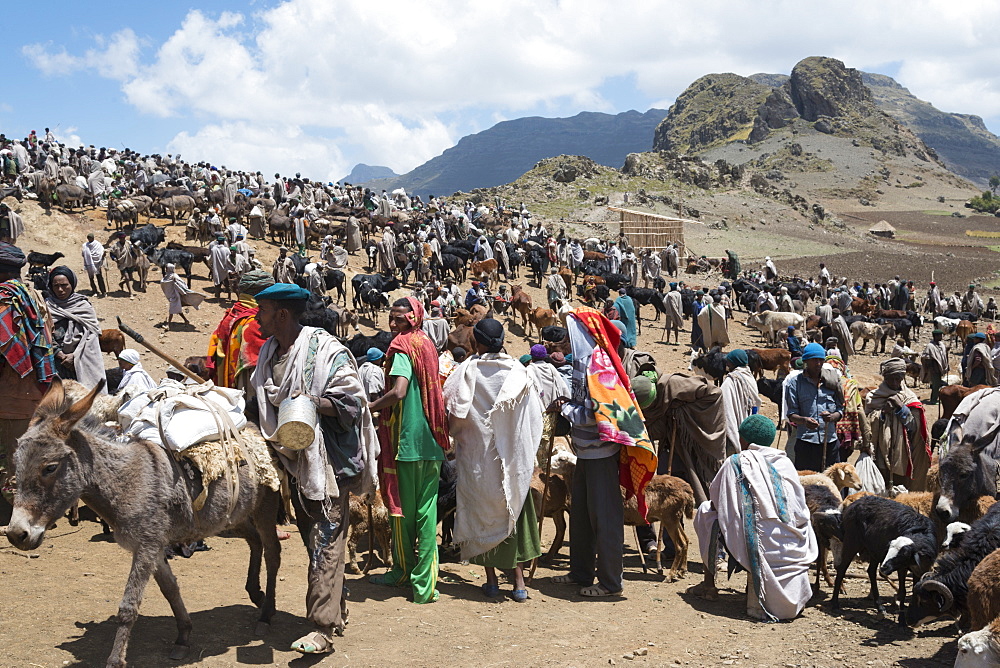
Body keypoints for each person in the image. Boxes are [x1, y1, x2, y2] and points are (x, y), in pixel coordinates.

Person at [250, 282, 379, 655]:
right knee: (315, 541)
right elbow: (261, 402)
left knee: (325, 542)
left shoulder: (327, 350)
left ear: (282, 314)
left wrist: (313, 401)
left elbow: (353, 403)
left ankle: (321, 630)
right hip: (292, 462)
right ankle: (336, 606)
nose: (258, 318)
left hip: (328, 465)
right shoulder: (269, 354)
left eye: (263, 311)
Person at [551, 307, 656, 597]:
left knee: (605, 518)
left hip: (600, 453)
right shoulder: (582, 364)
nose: (565, 339)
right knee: (582, 515)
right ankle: (581, 572)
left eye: (570, 331)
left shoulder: (598, 365)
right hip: (585, 452)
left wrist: (564, 407)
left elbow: (599, 414)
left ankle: (611, 582)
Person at [443, 319, 542, 602]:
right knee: (513, 510)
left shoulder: (466, 371)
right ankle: (519, 583)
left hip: (478, 461)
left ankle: (490, 582)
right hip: (513, 461)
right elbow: (534, 419)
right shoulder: (520, 373)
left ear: (478, 342)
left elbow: (451, 409)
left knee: (482, 513)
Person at [693, 414, 817, 621]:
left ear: (743, 440)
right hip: (792, 544)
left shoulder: (736, 461)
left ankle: (708, 585)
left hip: (758, 544)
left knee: (706, 511)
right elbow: (799, 508)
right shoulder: (785, 462)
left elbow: (716, 500)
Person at [368, 297, 450, 604]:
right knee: (426, 514)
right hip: (431, 438)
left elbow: (399, 391)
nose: (394, 324)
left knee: (400, 511)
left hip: (406, 442)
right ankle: (424, 586)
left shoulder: (402, 345)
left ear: (413, 318)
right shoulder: (427, 343)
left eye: (400, 319)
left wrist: (372, 406)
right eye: (391, 319)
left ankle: (402, 570)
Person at [0, 242, 55, 505]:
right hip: (35, 388)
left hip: (9, 392)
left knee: (12, 455)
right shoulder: (34, 295)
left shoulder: (5, 298)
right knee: (27, 452)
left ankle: (18, 512)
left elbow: (5, 343)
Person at [865, 358, 930, 490]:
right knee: (881, 486)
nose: (895, 383)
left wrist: (901, 407)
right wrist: (883, 413)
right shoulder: (873, 397)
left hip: (903, 454)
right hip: (880, 451)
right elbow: (867, 425)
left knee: (901, 488)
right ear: (884, 378)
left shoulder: (909, 397)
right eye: (891, 379)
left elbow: (915, 428)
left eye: (898, 379)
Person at [205, 270, 274, 393]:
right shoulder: (255, 322)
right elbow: (261, 366)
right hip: (243, 395)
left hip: (225, 390)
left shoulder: (233, 314)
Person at [784, 343, 845, 471]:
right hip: (806, 443)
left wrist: (833, 416)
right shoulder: (795, 383)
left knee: (832, 484)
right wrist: (804, 421)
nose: (818, 364)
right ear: (806, 361)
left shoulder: (832, 381)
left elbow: (840, 409)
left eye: (820, 360)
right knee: (808, 484)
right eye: (814, 360)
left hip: (830, 441)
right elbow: (791, 414)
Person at [45, 266, 106, 394]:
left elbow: (92, 335)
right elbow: (43, 334)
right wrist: (60, 354)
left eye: (64, 285)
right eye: (56, 286)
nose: (60, 290)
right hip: (54, 361)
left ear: (72, 284)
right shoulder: (46, 307)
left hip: (82, 359)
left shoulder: (84, 306)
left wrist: (75, 356)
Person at [525, 343, 569, 465]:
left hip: (539, 414)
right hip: (554, 413)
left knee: (539, 445)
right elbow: (563, 389)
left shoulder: (529, 370)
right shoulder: (551, 368)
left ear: (532, 356)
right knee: (549, 442)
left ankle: (541, 467)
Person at [721, 350, 760, 455]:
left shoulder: (731, 380)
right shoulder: (750, 376)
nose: (727, 364)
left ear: (734, 363)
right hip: (749, 424)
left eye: (729, 362)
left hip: (735, 423)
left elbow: (725, 404)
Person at [160, 263, 204, 329]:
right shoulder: (167, 276)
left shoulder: (174, 276)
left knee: (171, 311)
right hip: (172, 296)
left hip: (175, 296)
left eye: (167, 268)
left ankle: (168, 325)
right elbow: (164, 283)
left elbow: (181, 283)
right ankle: (186, 320)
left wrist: (183, 290)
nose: (166, 269)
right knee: (177, 309)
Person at [920, 329, 949, 405]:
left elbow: (944, 355)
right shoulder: (930, 346)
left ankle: (936, 397)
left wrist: (946, 365)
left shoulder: (941, 345)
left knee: (937, 383)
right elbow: (926, 358)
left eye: (941, 335)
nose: (941, 337)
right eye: (939, 335)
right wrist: (931, 369)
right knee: (936, 385)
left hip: (940, 368)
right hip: (934, 369)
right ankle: (933, 400)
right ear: (935, 336)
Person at [81, 232, 107, 297]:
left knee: (99, 277)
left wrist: (103, 256)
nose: (89, 239)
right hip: (89, 263)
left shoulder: (98, 244)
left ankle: (103, 291)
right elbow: (83, 254)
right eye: (88, 238)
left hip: (97, 264)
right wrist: (88, 258)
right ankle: (94, 291)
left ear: (93, 238)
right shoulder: (85, 245)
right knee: (91, 278)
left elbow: (101, 252)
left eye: (91, 238)